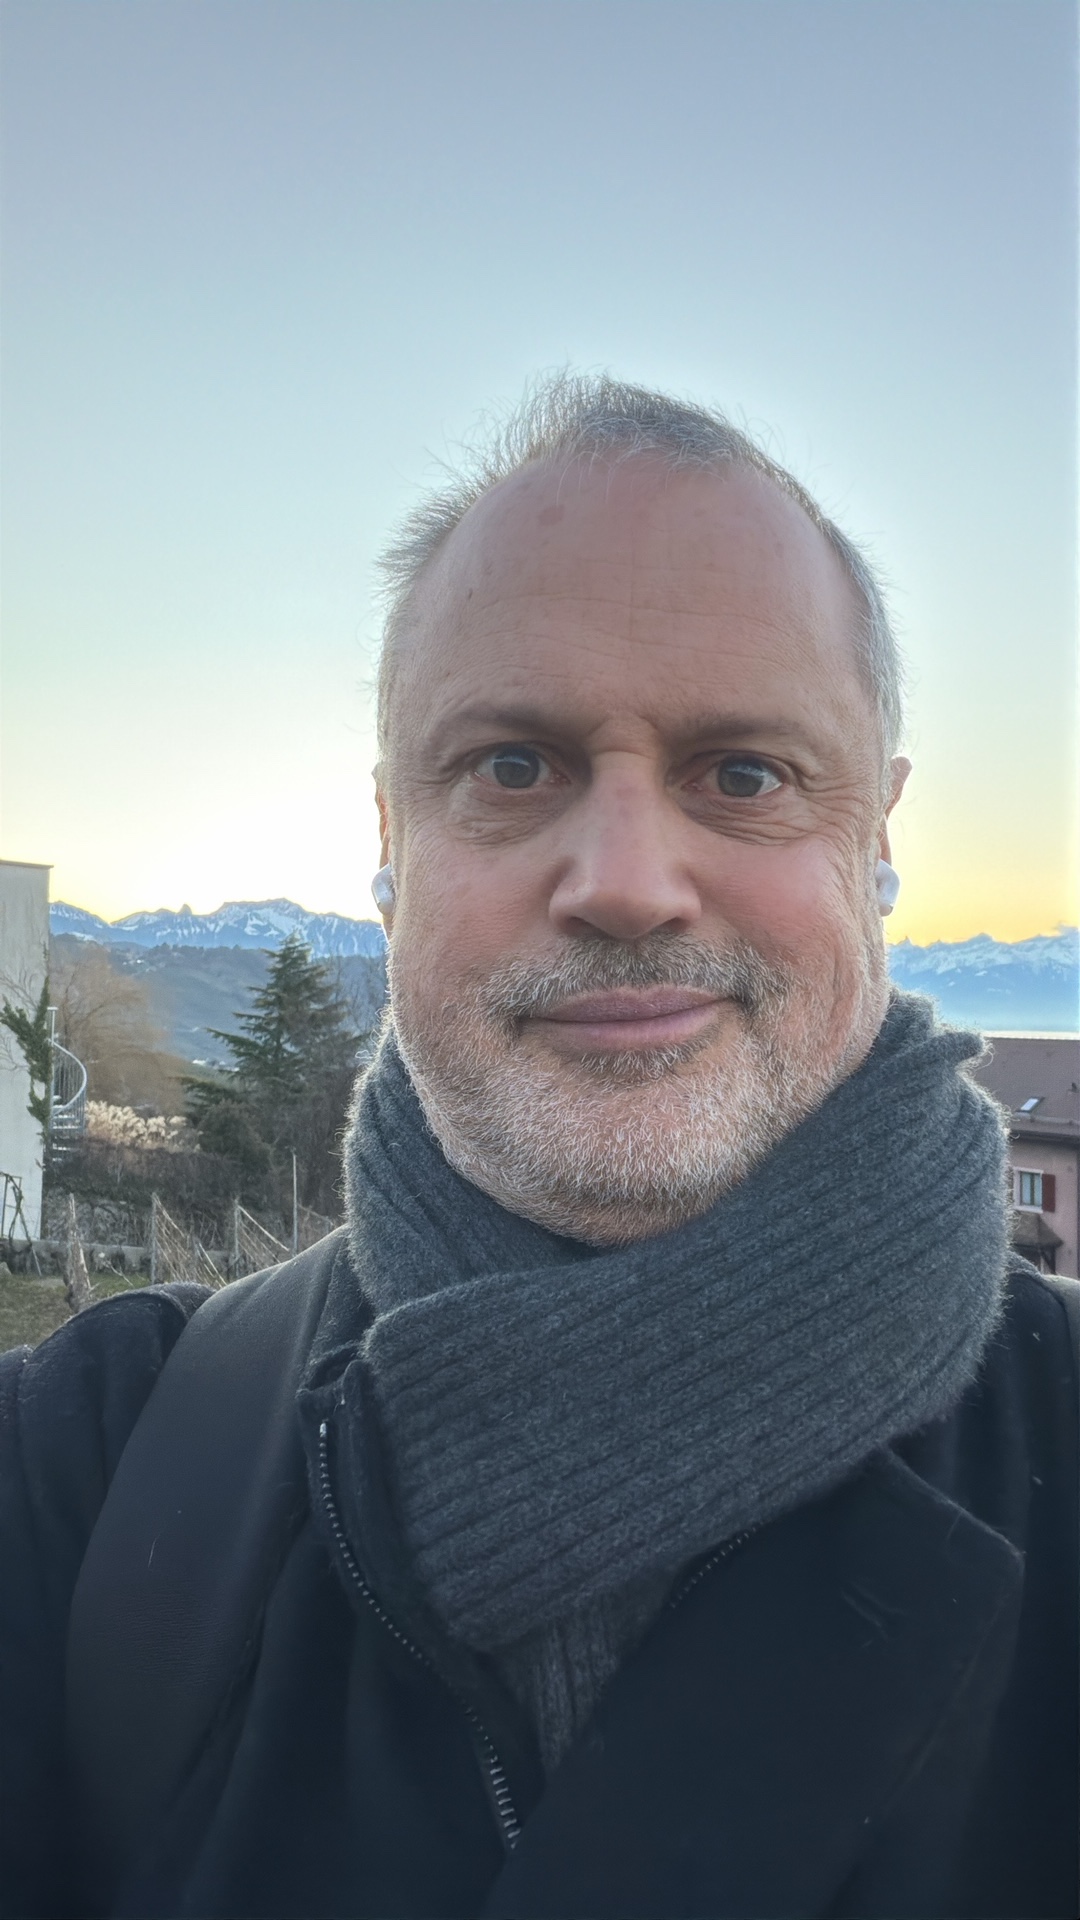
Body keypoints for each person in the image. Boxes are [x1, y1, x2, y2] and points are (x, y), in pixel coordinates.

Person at [2, 374, 1076, 1920]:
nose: (626, 881)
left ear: (880, 837)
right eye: (514, 765)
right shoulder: (81, 1473)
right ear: (391, 842)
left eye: (746, 773)